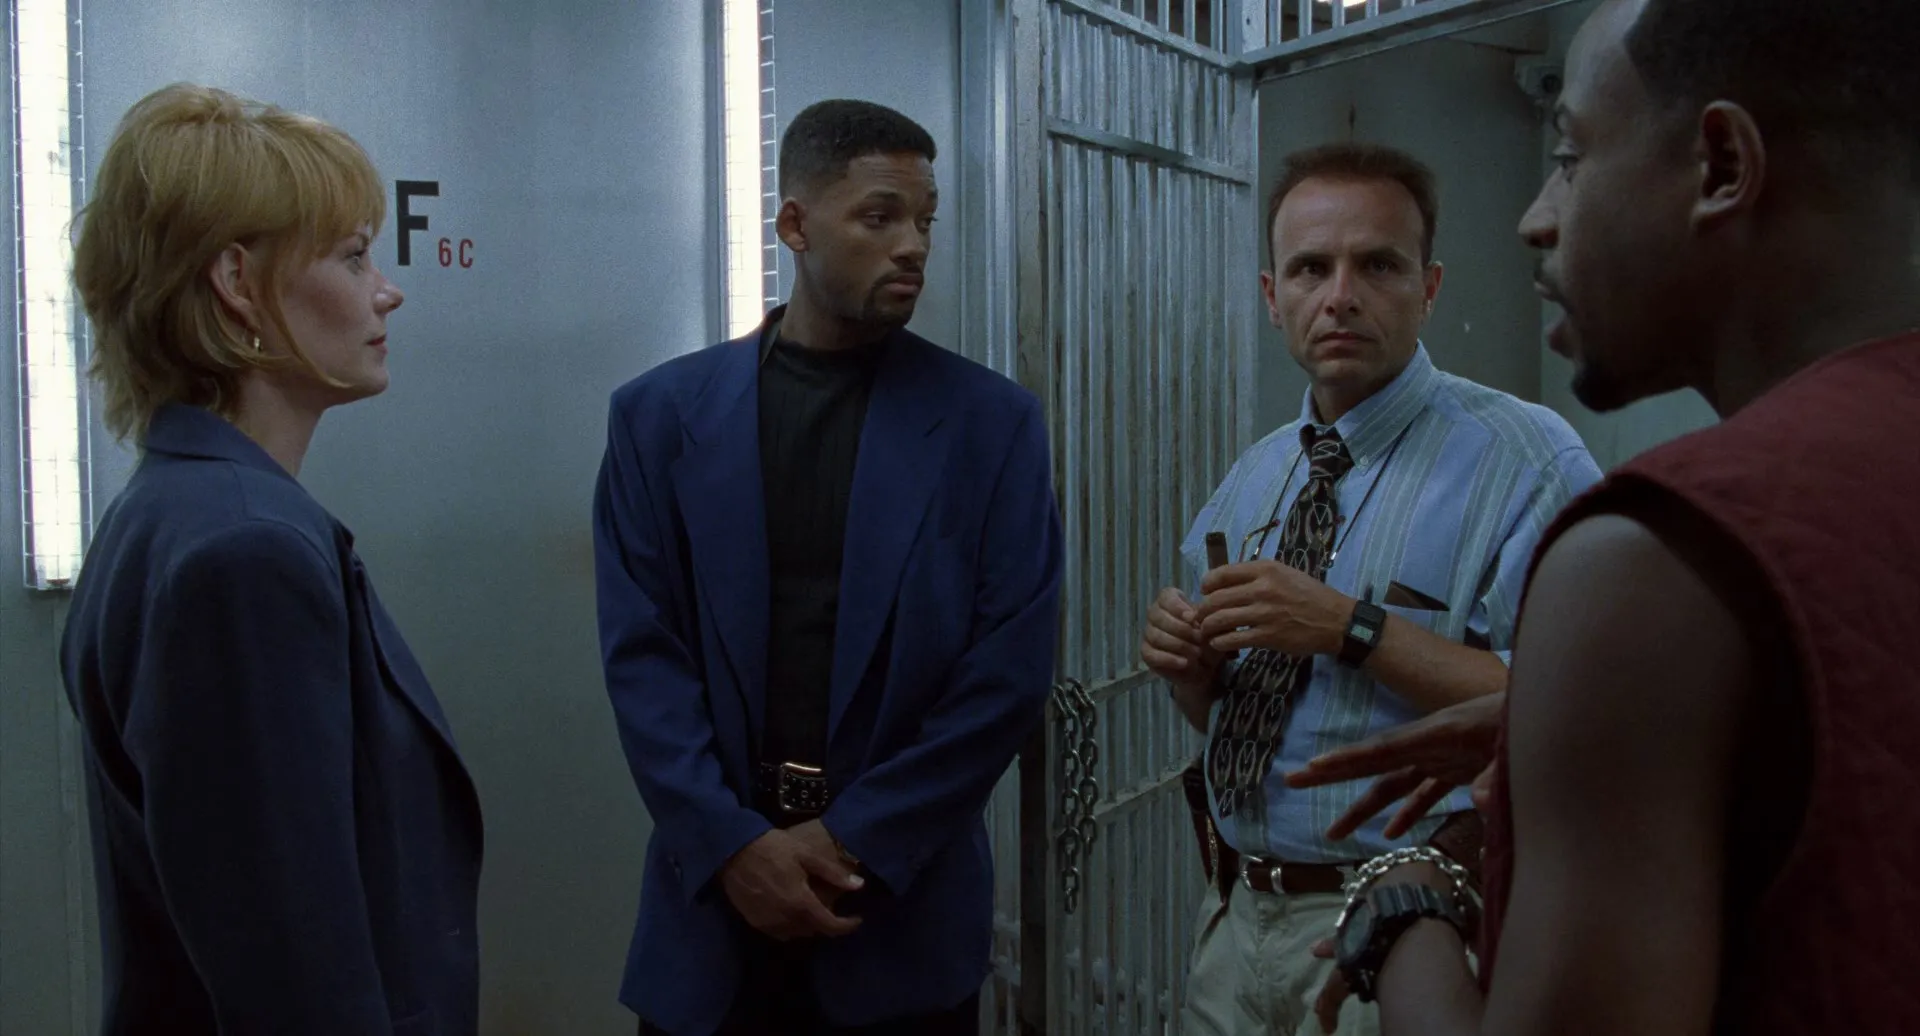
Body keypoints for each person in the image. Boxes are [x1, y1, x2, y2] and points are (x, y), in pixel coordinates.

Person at [1285, 1, 1920, 1032]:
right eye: (1309, 268)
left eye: (1570, 158)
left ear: (1722, 165)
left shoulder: (1656, 555)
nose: (1536, 218)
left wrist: (1400, 906)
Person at [593, 98, 1063, 1036]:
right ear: (795, 226)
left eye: (924, 220)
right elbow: (644, 659)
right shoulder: (659, 417)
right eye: (879, 216)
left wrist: (855, 839)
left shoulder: (990, 424)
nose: (913, 245)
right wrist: (733, 845)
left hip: (896, 917)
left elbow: (1007, 675)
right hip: (714, 919)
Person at [1141, 142, 1601, 1036]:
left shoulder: (1527, 461)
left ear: (1429, 288)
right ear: (1273, 296)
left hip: (1405, 926)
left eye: (1378, 265)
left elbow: (1579, 712)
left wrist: (1352, 626)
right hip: (1236, 919)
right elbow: (1228, 719)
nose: (1340, 296)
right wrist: (1190, 671)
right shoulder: (1254, 478)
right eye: (1311, 268)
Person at [58, 83, 483, 1035]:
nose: (387, 290)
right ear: (238, 283)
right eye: (353, 255)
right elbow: (296, 978)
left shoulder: (169, 507)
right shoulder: (244, 552)